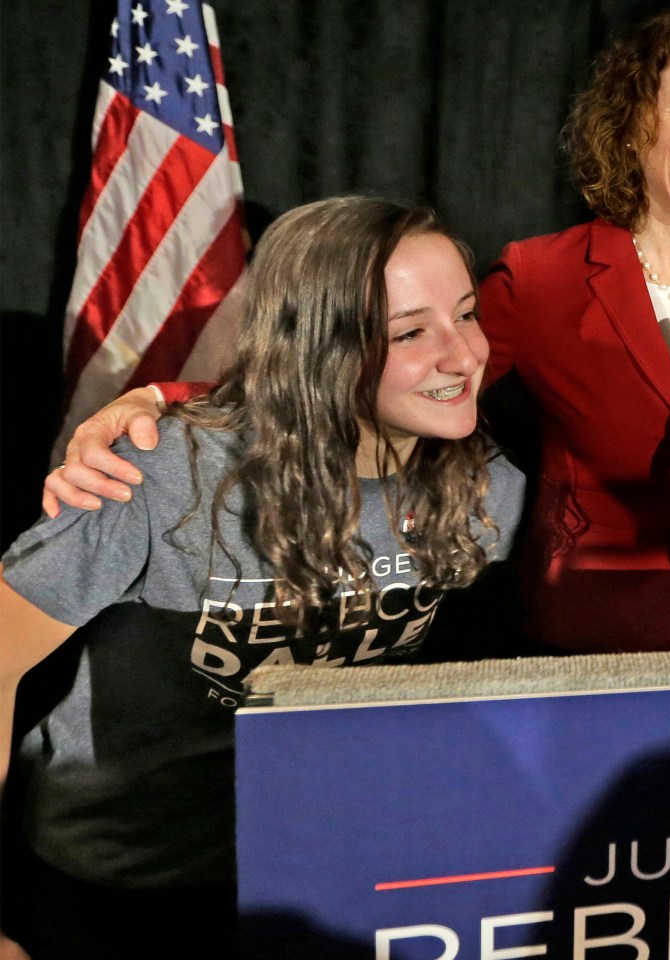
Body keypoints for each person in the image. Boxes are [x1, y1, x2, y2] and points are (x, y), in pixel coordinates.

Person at [43, 11, 670, 655]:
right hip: (583, 631)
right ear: (635, 128)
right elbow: (376, 367)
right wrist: (159, 400)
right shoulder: (546, 276)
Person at [0, 196, 525, 957]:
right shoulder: (165, 476)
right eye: (410, 332)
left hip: (314, 874)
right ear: (322, 350)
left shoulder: (488, 490)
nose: (462, 354)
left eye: (467, 314)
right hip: (123, 884)